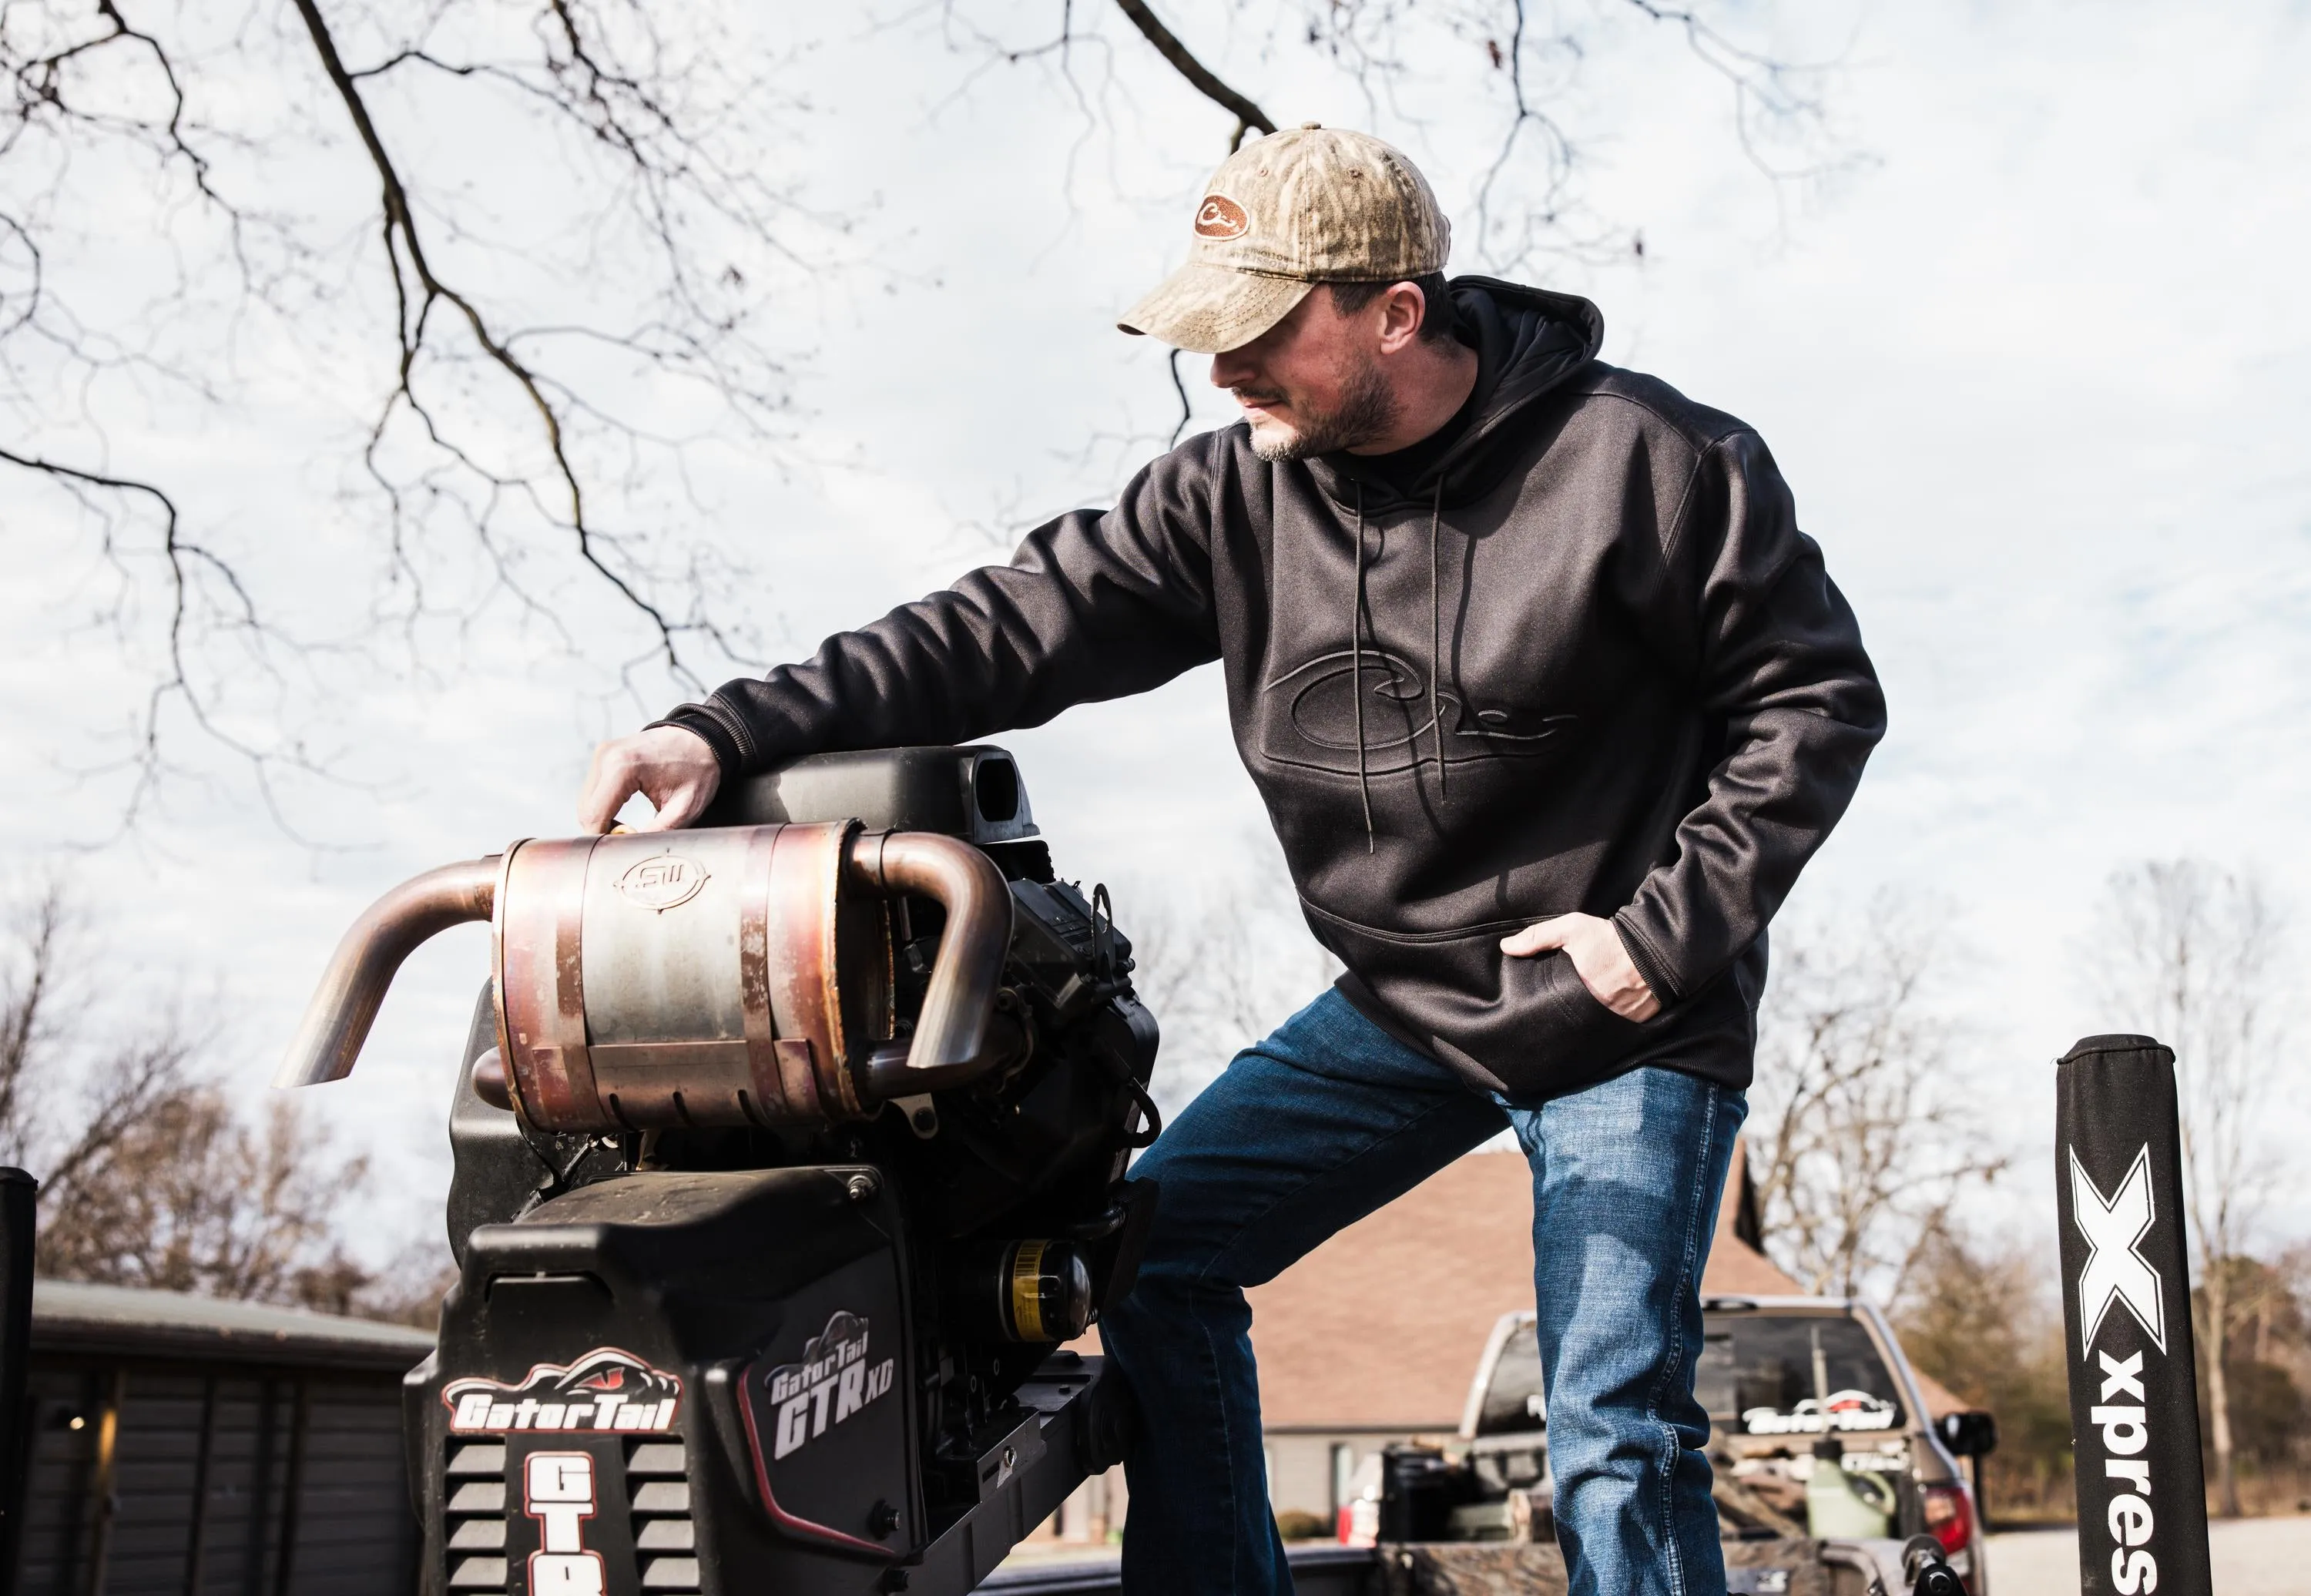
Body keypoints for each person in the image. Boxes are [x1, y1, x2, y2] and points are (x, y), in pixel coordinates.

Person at [577, 125, 1884, 1596]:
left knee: (1609, 1422)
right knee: (1154, 1256)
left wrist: (1658, 938)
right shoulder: (1234, 495)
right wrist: (718, 728)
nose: (1222, 369)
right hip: (1400, 1010)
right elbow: (997, 629)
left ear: (1396, 312)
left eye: (1260, 331)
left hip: (1622, 1014)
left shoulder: (1648, 461)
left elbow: (1817, 701)